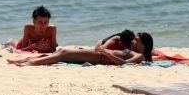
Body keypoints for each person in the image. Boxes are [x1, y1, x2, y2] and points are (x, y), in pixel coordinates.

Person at [10, 31, 154, 66]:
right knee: (61, 54)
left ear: (144, 45)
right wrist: (103, 48)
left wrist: (105, 52)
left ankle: (31, 63)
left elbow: (123, 64)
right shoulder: (131, 51)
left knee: (64, 52)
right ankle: (28, 59)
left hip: (100, 57)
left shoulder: (139, 56)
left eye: (137, 40)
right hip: (100, 54)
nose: (133, 41)